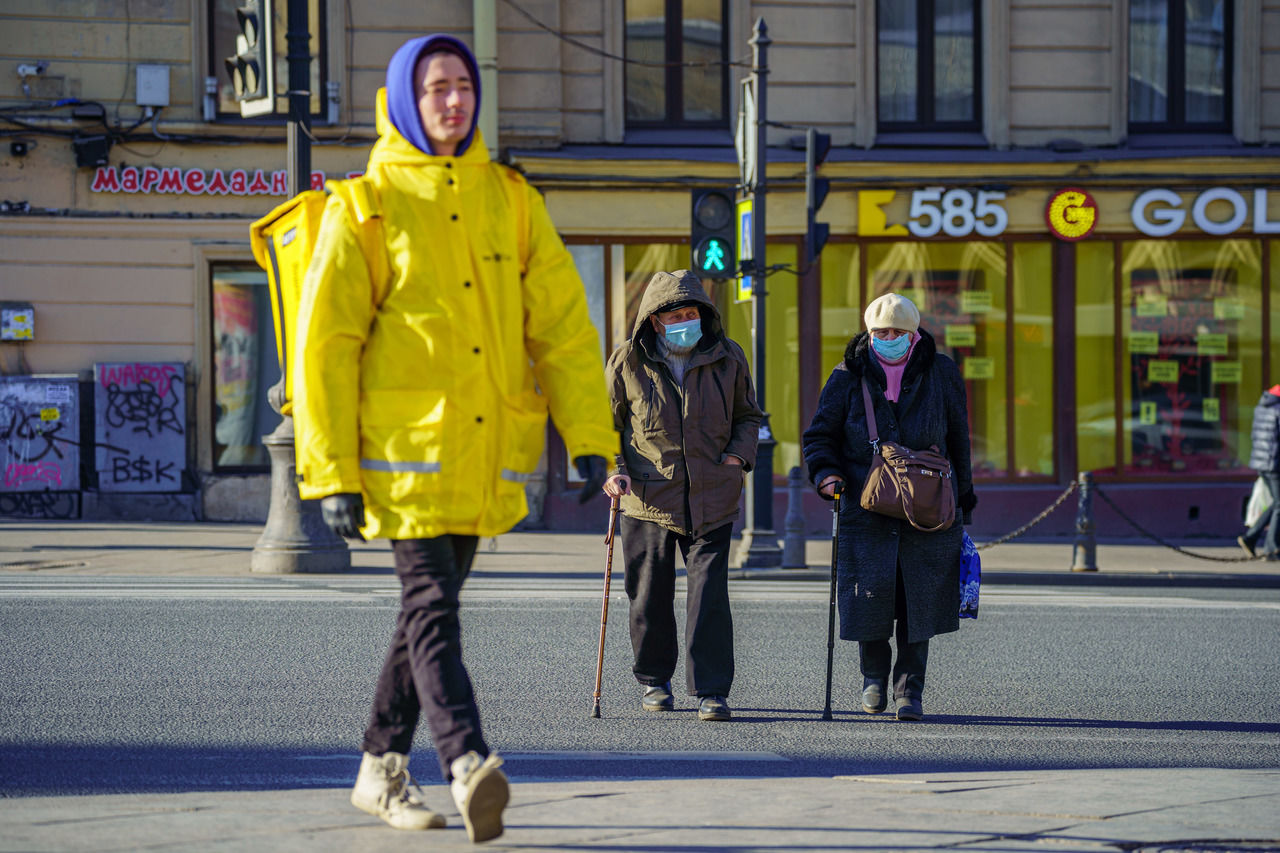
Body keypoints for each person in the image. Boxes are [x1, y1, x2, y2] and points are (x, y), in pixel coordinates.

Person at [291, 34, 618, 843]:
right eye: (436, 88)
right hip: (400, 463)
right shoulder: (363, 204)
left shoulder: (510, 198)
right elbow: (322, 347)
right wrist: (329, 470)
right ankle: (468, 761)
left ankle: (378, 767)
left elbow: (565, 329)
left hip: (482, 454)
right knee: (433, 607)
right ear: (406, 99)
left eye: (464, 86)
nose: (453, 101)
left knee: (422, 617)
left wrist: (590, 436)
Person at [801, 292, 975, 722]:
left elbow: (959, 440)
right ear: (869, 332)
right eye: (882, 332)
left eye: (899, 332)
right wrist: (826, 474)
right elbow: (820, 436)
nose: (890, 339)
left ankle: (909, 690)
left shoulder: (942, 372)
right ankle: (873, 678)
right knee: (871, 596)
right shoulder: (846, 375)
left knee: (920, 601)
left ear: (914, 334)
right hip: (866, 507)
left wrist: (964, 500)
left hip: (930, 509)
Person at [601, 270, 762, 722]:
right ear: (655, 320)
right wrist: (613, 471)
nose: (686, 321)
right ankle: (654, 680)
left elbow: (749, 417)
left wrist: (737, 458)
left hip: (713, 494)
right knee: (649, 594)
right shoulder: (627, 362)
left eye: (692, 312)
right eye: (676, 314)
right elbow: (605, 426)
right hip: (647, 499)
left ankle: (712, 690)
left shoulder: (728, 357)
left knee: (709, 595)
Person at [1239, 384, 1280, 559]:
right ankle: (1271, 548)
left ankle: (1251, 538)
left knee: (1277, 503)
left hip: (1263, 461)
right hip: (1275, 463)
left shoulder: (1262, 406)